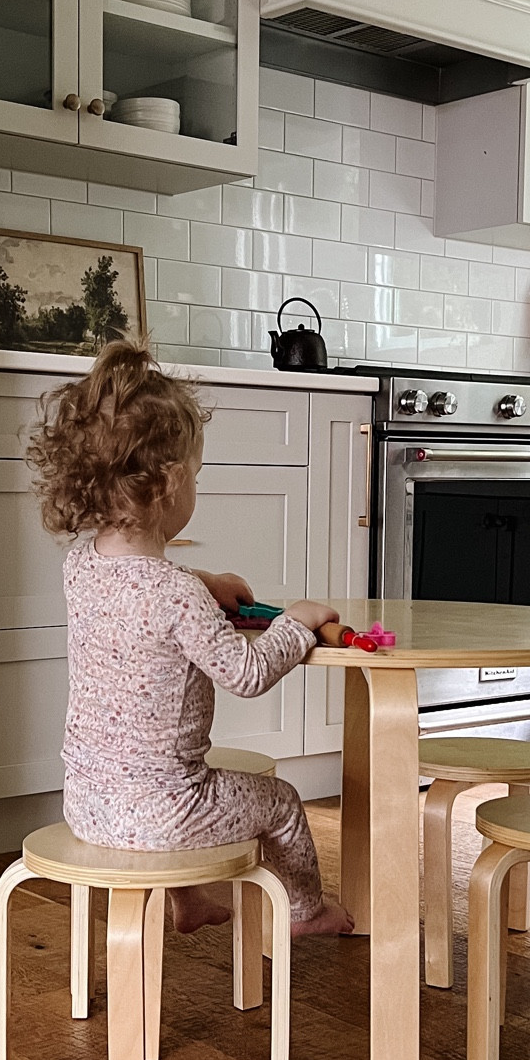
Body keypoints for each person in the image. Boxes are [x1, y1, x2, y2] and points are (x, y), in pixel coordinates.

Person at [26, 340, 354, 938]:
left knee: (172, 775)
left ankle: (189, 901)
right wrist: (296, 622)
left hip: (87, 802)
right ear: (171, 483)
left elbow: (139, 591)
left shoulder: (81, 565)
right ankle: (306, 912)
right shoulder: (176, 595)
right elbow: (247, 674)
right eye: (196, 476)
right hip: (163, 815)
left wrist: (207, 582)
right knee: (280, 801)